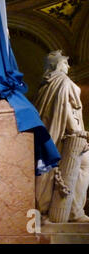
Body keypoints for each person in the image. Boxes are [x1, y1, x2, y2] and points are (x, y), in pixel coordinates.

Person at [34, 50, 89, 223]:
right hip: (68, 136)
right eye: (65, 63)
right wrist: (76, 131)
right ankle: (73, 211)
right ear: (57, 65)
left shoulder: (45, 85)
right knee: (82, 165)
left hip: (52, 133)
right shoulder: (63, 81)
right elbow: (64, 106)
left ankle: (53, 210)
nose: (68, 66)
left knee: (49, 169)